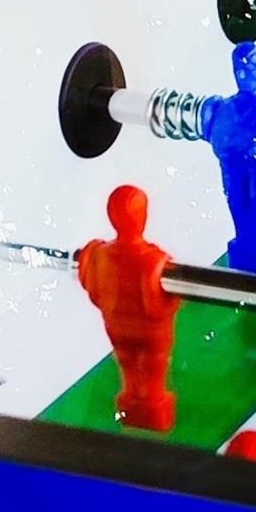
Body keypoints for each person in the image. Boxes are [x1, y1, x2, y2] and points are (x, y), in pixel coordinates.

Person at [75, 183, 178, 433]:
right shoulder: (155, 259)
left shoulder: (99, 254)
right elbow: (168, 300)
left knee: (127, 362)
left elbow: (92, 288)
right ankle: (152, 406)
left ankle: (132, 401)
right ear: (143, 217)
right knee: (153, 365)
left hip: (117, 327)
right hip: (151, 331)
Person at [196, 40, 256, 270]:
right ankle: (252, 266)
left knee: (254, 221)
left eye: (249, 69)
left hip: (253, 171)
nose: (243, 75)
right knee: (246, 218)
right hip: (244, 170)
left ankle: (253, 266)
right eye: (241, 69)